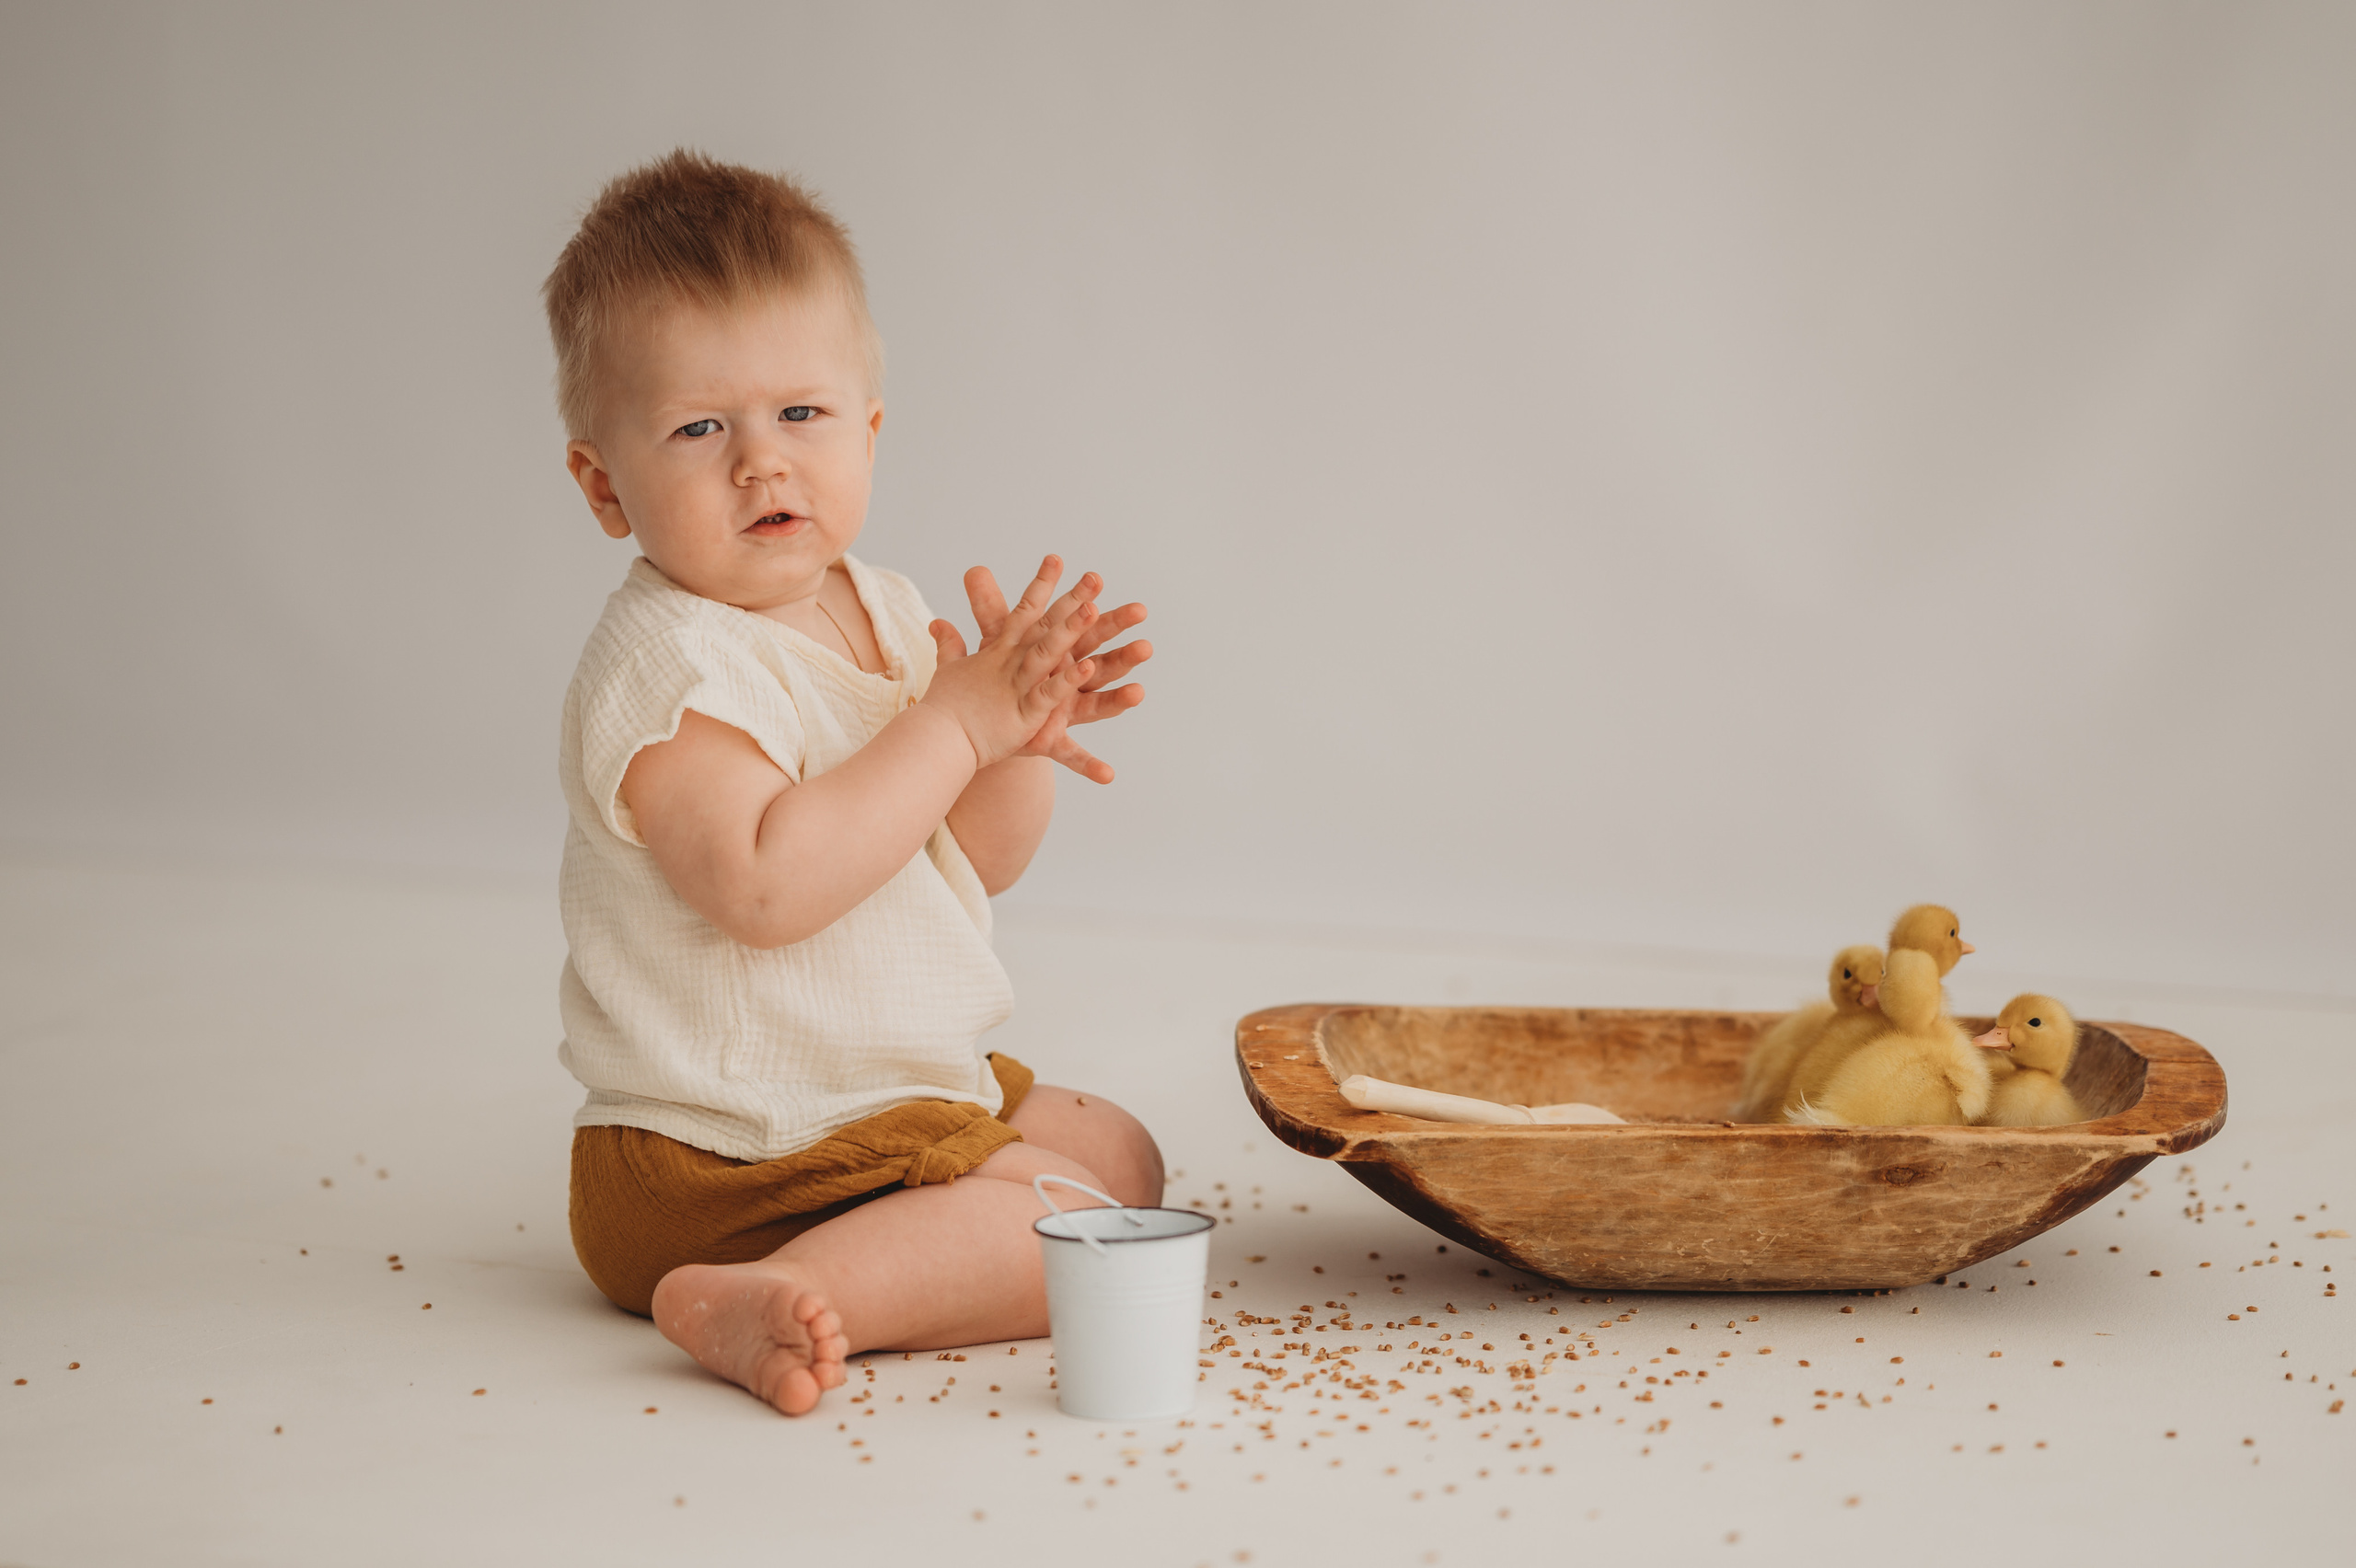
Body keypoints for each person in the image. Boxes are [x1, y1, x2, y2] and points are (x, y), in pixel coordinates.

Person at [544, 149, 1161, 1415]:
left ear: (869, 429)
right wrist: (949, 724)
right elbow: (766, 889)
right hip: (719, 1149)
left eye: (802, 416)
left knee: (1122, 1158)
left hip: (853, 1099)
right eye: (699, 428)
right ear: (606, 483)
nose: (762, 465)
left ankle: (844, 1253)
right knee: (1073, 1237)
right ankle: (773, 1289)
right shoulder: (672, 669)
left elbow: (963, 862)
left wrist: (1009, 740)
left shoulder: (880, 612)